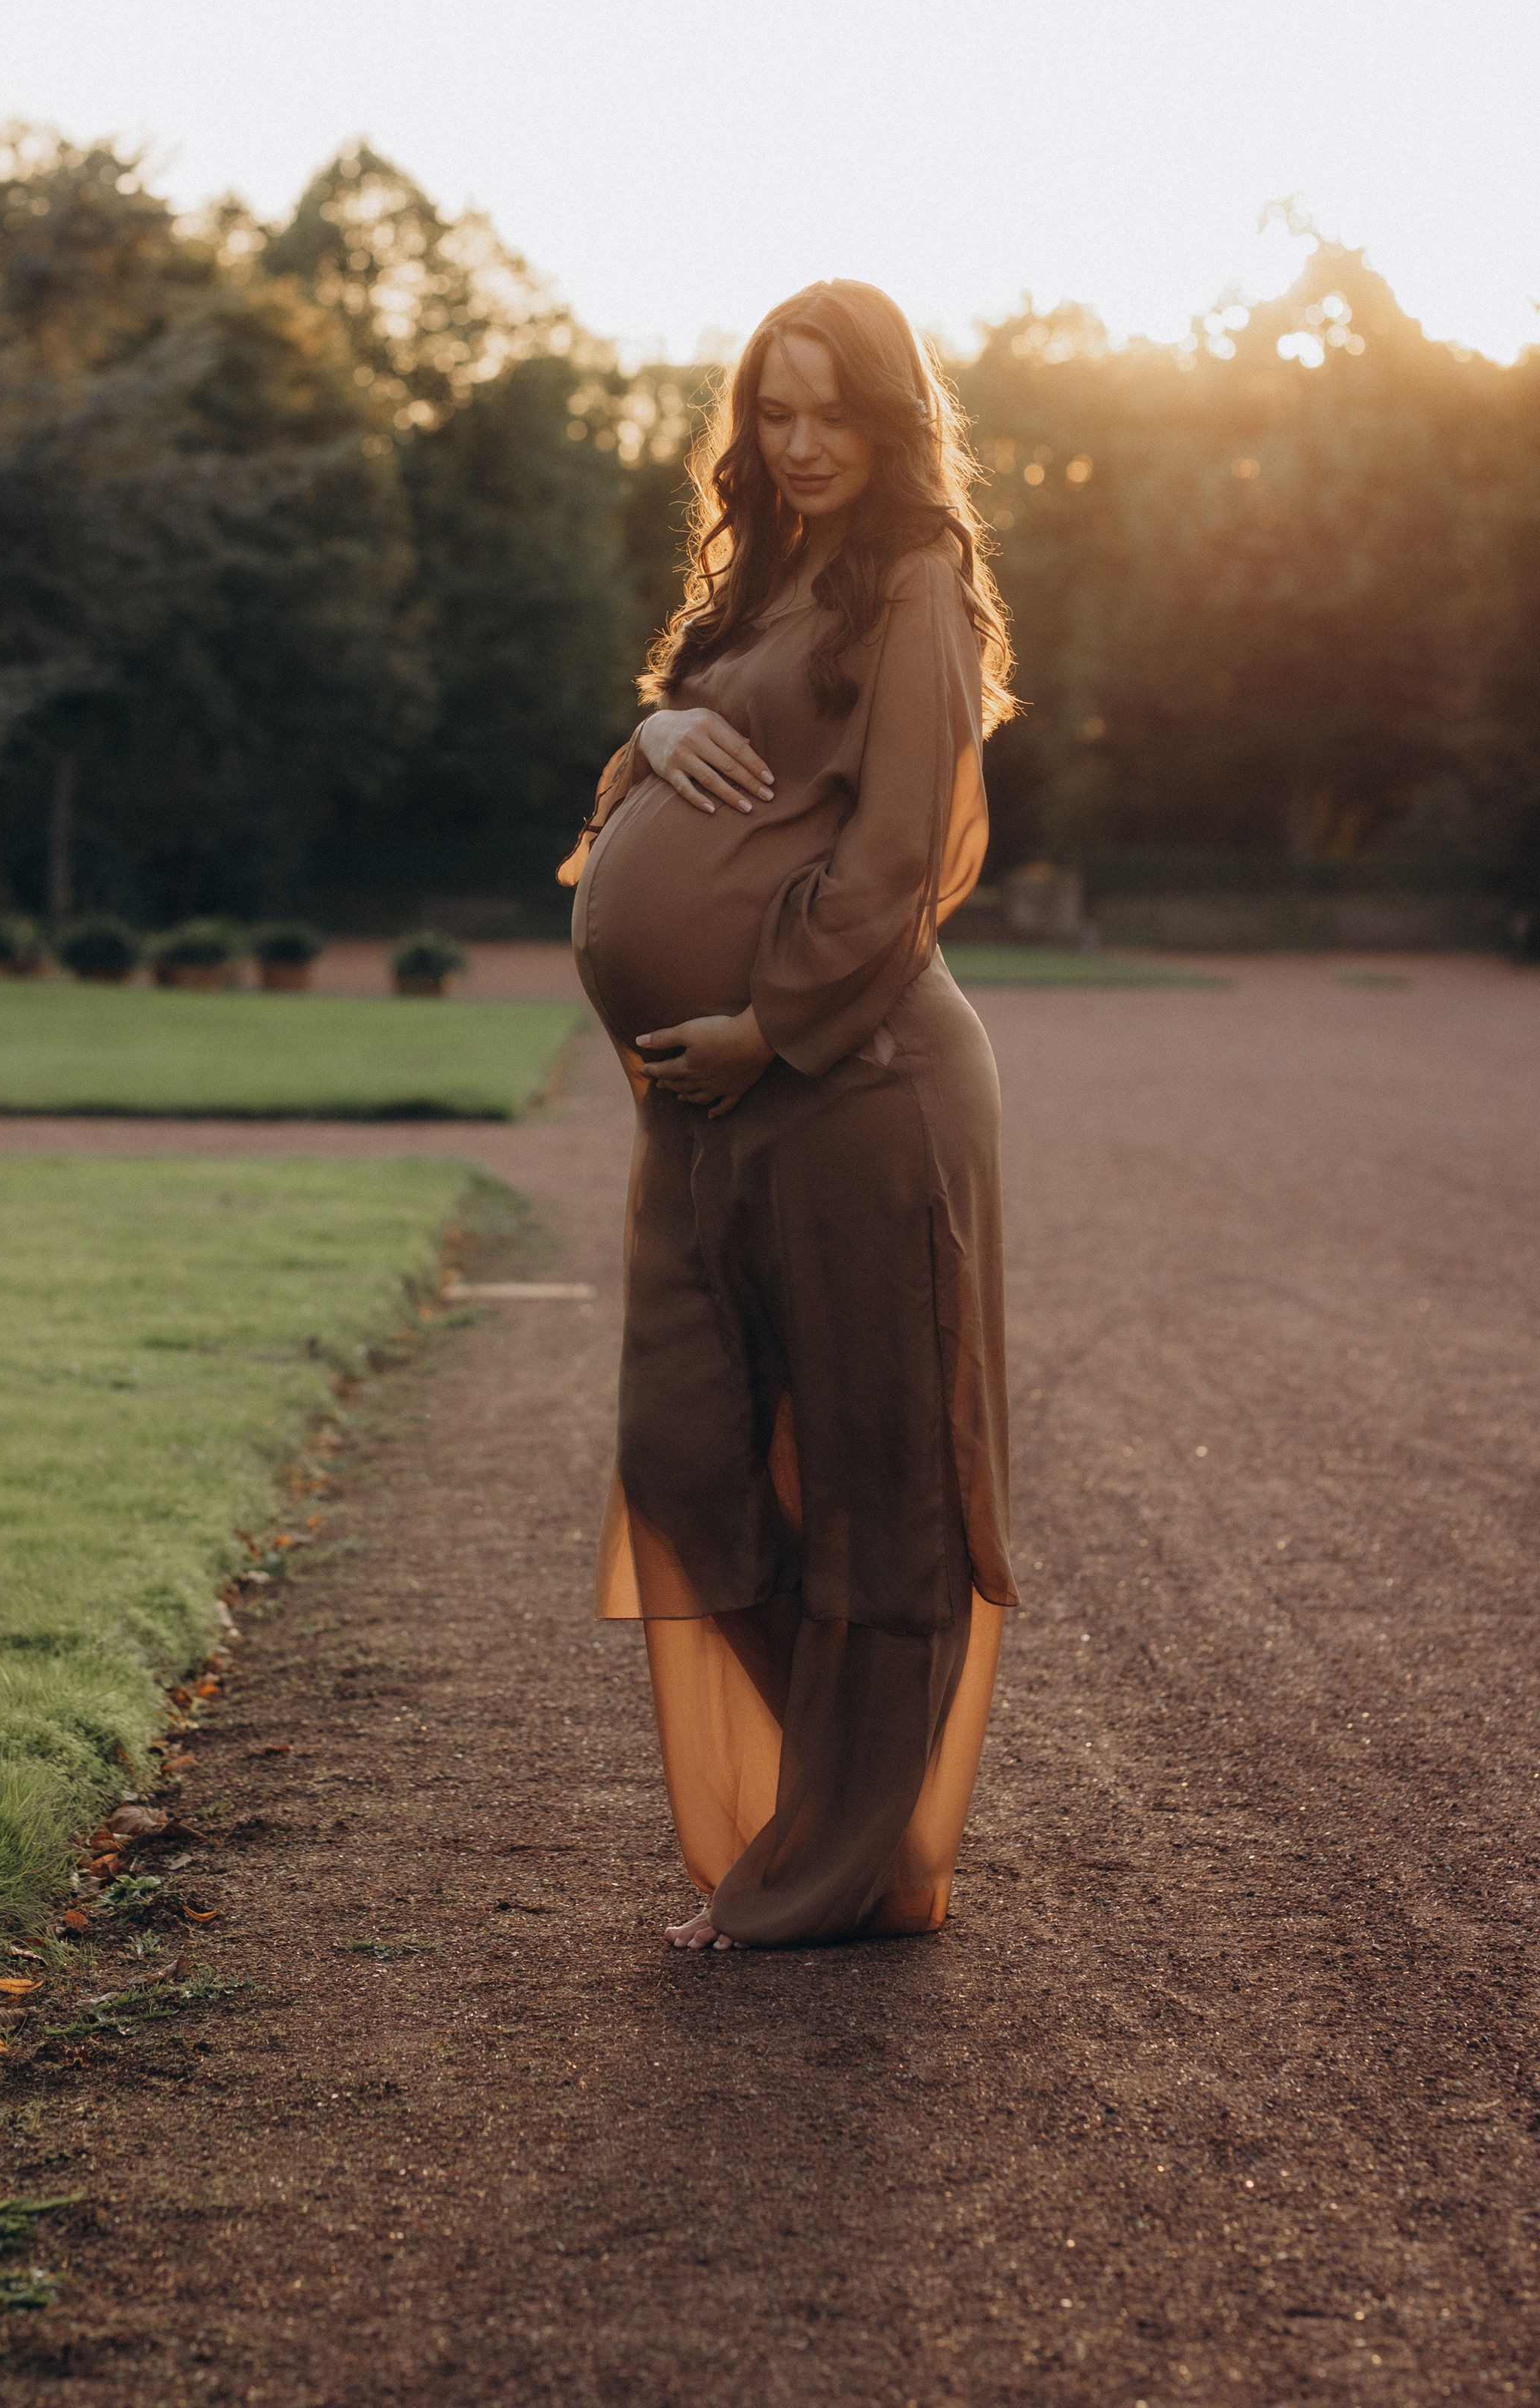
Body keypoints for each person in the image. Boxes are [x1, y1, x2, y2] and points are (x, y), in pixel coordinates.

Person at [562, 278, 1018, 1951]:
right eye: (774, 408)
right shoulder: (751, 585)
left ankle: (834, 1859)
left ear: (892, 421)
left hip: (853, 1082)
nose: (801, 440)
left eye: (834, 410)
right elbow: (650, 792)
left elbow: (903, 851)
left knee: (877, 1489)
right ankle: (850, 1793)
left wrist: (769, 1025)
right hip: (697, 1109)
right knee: (682, 1457)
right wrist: (655, 720)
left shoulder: (913, 582)